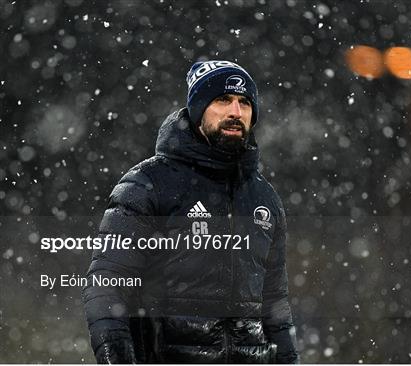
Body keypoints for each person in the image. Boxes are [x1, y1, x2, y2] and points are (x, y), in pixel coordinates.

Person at [82, 60, 299, 364]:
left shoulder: (265, 198)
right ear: (197, 110)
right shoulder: (148, 185)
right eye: (223, 100)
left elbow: (274, 305)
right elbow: (107, 286)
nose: (235, 112)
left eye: (244, 102)